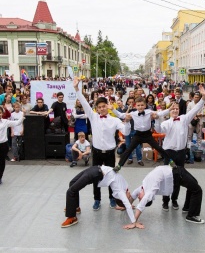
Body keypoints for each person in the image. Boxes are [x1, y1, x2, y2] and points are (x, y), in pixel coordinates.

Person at [73, 77, 131, 210]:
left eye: (104, 106)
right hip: (97, 152)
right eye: (99, 107)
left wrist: (127, 121)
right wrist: (76, 89)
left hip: (110, 153)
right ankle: (97, 199)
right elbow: (83, 102)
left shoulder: (115, 120)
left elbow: (126, 132)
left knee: (112, 178)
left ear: (108, 106)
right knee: (95, 178)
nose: (102, 109)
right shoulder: (93, 117)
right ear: (97, 109)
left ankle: (112, 198)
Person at [156, 86, 205, 211]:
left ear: (179, 110)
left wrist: (203, 97)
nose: (175, 111)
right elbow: (159, 129)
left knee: (178, 178)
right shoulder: (166, 123)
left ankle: (174, 200)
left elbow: (195, 110)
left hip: (181, 153)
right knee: (167, 177)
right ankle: (165, 201)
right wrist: (157, 119)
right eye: (173, 109)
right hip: (169, 153)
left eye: (177, 109)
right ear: (170, 110)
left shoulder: (184, 119)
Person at [122, 165, 204, 229]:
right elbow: (141, 205)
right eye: (140, 199)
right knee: (197, 190)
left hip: (175, 169)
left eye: (139, 198)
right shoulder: (150, 191)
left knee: (194, 184)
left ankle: (187, 208)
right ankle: (191, 216)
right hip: (176, 174)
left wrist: (127, 206)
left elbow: (133, 195)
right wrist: (134, 222)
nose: (139, 197)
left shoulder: (143, 187)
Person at [61, 165, 136, 228]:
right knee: (72, 183)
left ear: (123, 199)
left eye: (128, 198)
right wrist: (125, 206)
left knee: (70, 191)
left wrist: (134, 222)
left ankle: (72, 217)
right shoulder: (125, 187)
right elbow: (127, 204)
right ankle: (76, 207)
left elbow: (127, 204)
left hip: (95, 174)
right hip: (95, 168)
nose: (130, 196)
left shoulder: (120, 192)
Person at [112, 97, 175, 172]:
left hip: (147, 134)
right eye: (138, 105)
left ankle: (170, 160)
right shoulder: (133, 113)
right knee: (129, 149)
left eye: (142, 105)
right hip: (138, 135)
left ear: (145, 105)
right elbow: (121, 115)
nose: (140, 107)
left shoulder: (149, 112)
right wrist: (113, 109)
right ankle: (119, 165)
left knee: (158, 147)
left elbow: (160, 113)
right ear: (135, 106)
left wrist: (170, 109)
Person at [0, 106, 24, 184]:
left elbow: (17, 123)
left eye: (0, 113)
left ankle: (0, 177)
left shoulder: (5, 121)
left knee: (1, 162)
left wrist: (23, 115)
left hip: (3, 145)